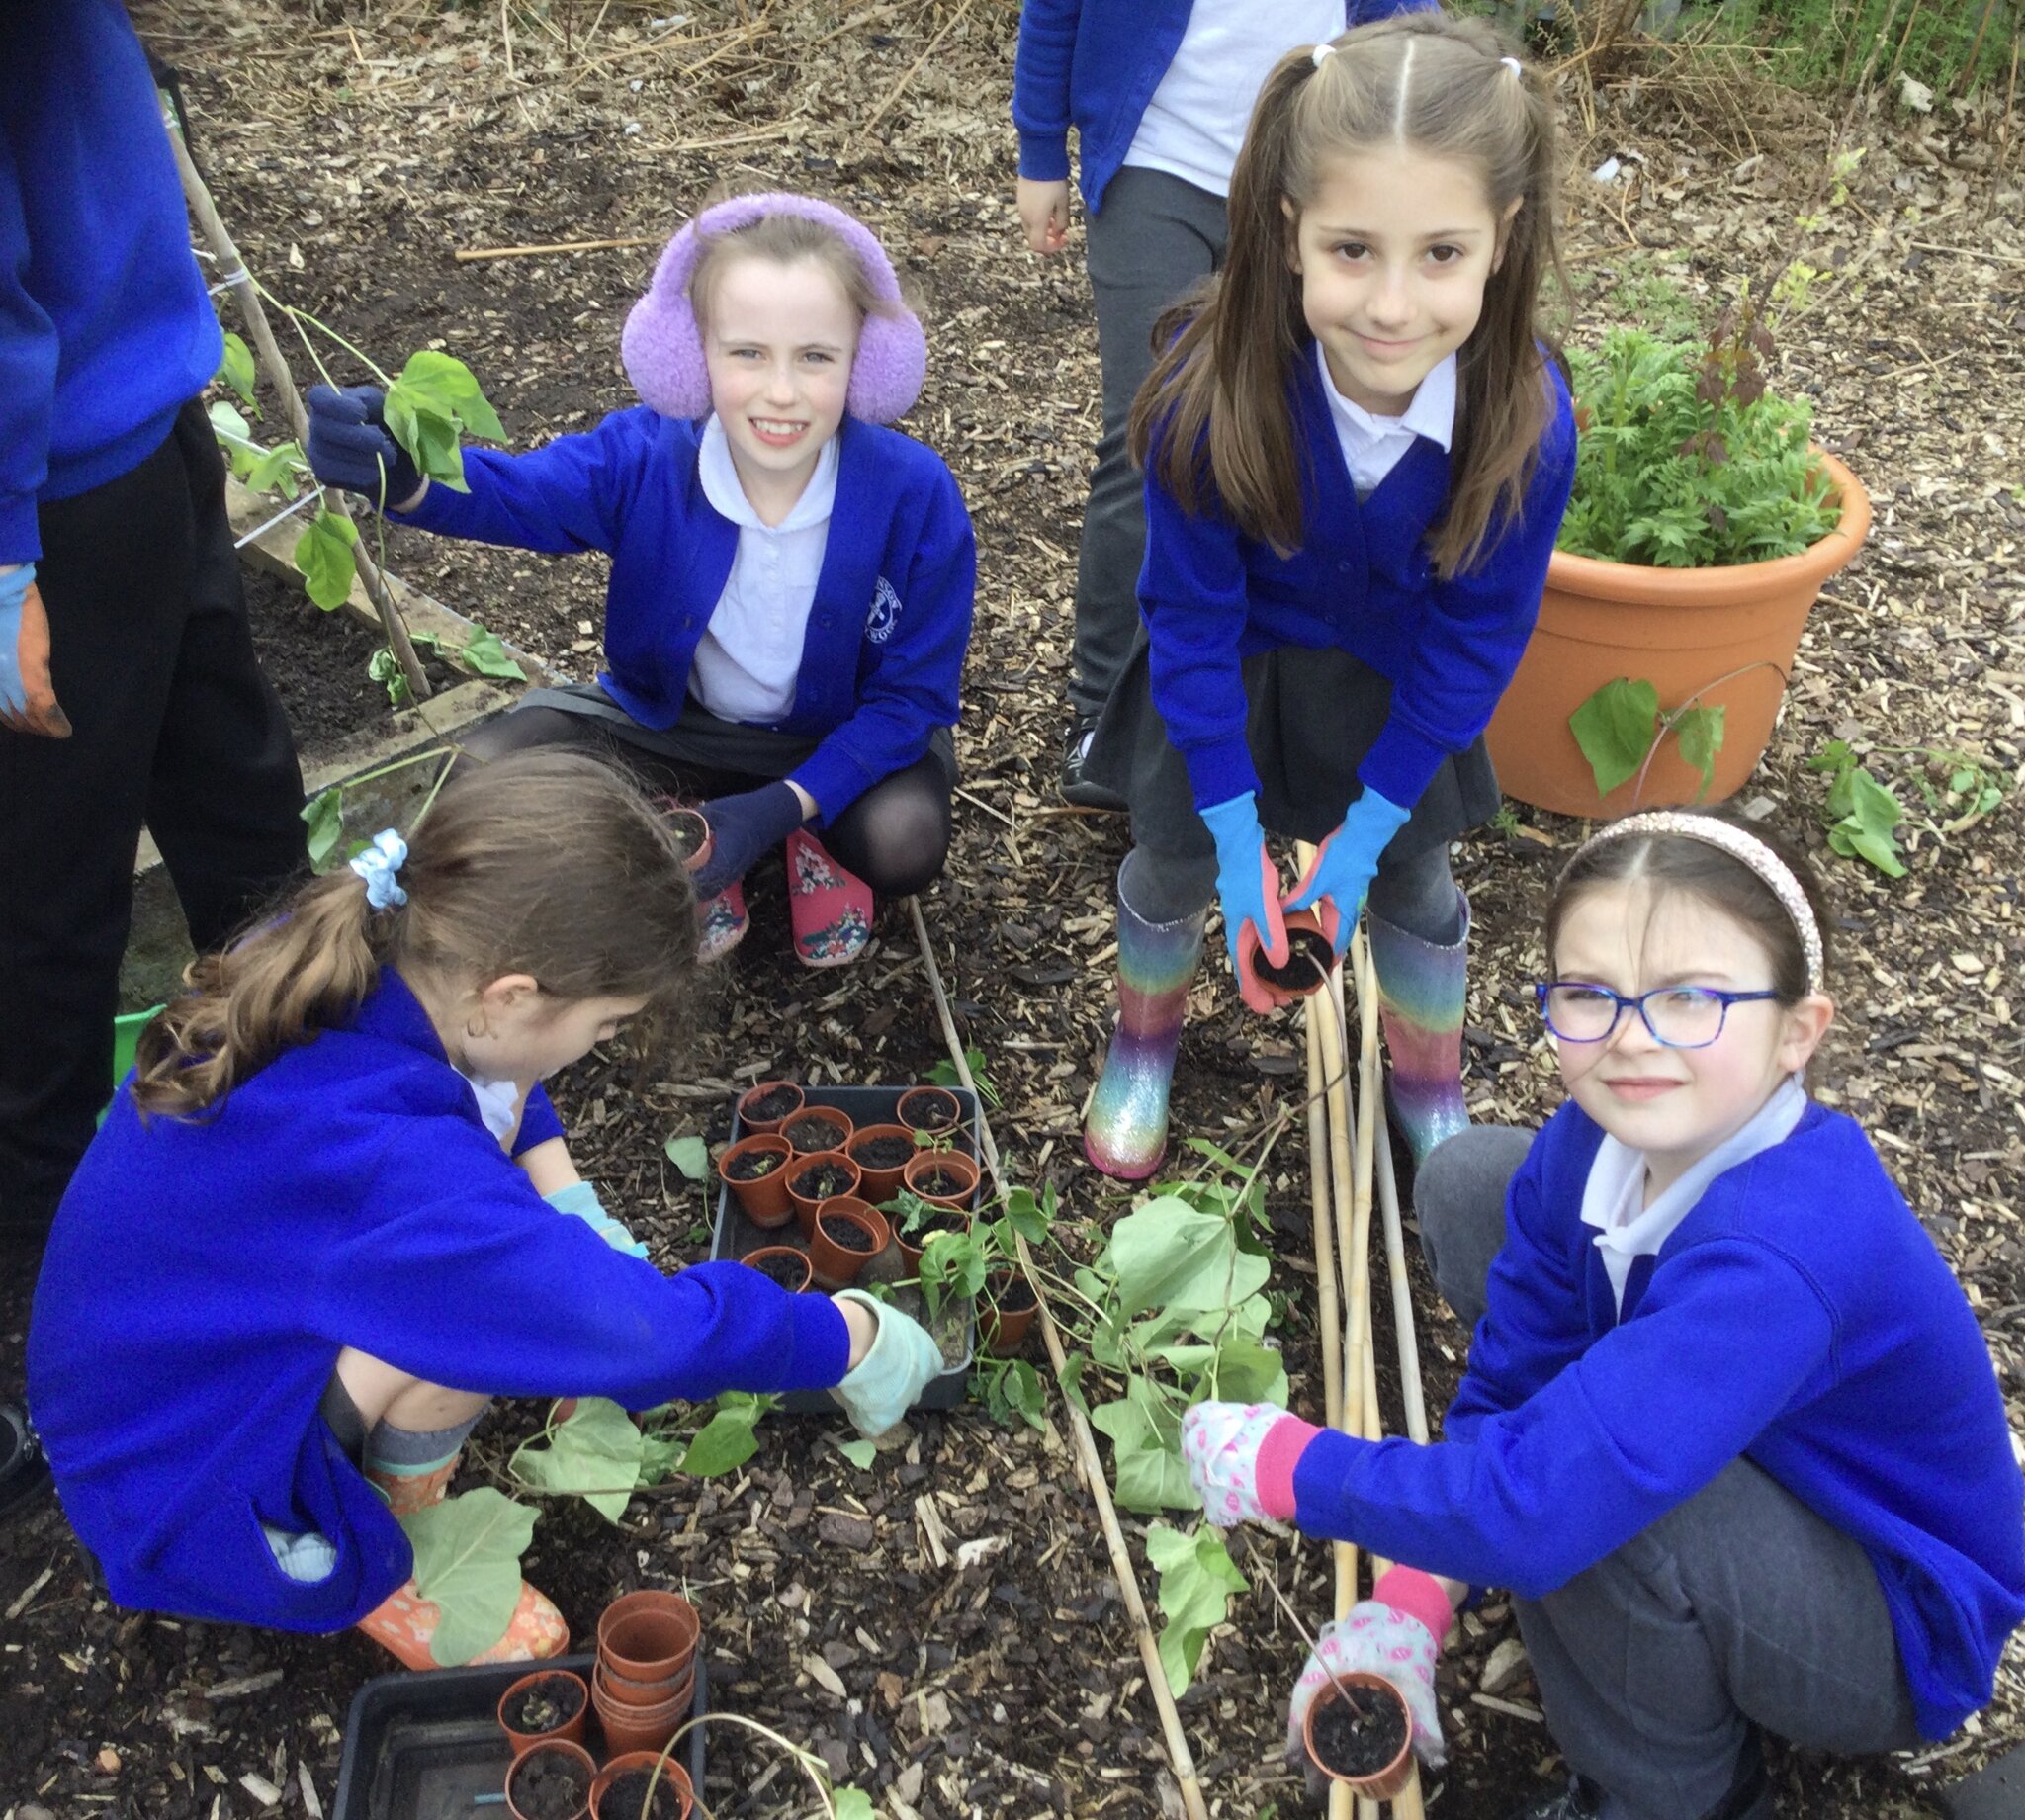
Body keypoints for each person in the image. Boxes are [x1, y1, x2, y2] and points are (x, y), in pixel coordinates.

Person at [1180, 810, 2025, 1820]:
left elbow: (1541, 1504)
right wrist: (1416, 1586)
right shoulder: (1596, 1137)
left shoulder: (1780, 1251)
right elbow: (1516, 1379)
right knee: (1470, 1182)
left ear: (1797, 1031)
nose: (1630, 1038)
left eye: (1690, 998)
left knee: (1603, 1516)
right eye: (1588, 994)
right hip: (1757, 1452)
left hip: (1890, 1617)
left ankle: (1669, 1792)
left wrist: (1294, 1467)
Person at [27, 750, 946, 1670]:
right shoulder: (393, 1173)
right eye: (605, 1028)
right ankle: (385, 1553)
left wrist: (566, 1194)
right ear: (512, 994)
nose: (596, 1049)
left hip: (150, 1386)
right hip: (182, 1491)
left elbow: (497, 1068)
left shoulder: (377, 939)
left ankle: (363, 1460)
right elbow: (641, 1336)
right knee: (473, 1322)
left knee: (482, 1287)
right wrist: (842, 1337)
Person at [1079, 15, 1577, 1181]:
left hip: (1396, 688)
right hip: (1234, 673)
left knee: (1412, 874)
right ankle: (1141, 1041)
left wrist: (1350, 845)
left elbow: (1475, 638)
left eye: (1439, 254)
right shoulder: (1201, 396)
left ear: (1502, 241)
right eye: (1352, 250)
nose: (1392, 306)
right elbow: (1189, 621)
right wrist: (1236, 830)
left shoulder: (1523, 421)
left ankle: (1426, 1081)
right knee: (1167, 858)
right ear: (1290, 230)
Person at [305, 193, 975, 971]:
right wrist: (404, 473)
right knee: (489, 773)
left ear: (866, 362)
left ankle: (804, 826)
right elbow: (520, 496)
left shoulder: (915, 494)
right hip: (675, 724)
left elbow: (910, 700)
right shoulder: (647, 458)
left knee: (905, 841)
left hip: (841, 730)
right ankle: (681, 825)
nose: (781, 392)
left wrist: (771, 808)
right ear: (691, 356)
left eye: (816, 357)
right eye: (747, 353)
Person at [0, 2, 307, 1247]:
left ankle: (39, 1244)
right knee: (229, 796)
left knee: (51, 890)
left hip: (79, 462)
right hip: (124, 410)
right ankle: (294, 1119)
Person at [1012, 0, 1433, 810]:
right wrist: (1041, 151)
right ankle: (1103, 712)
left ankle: (1257, 710)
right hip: (1153, 164)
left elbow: (1408, 31)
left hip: (1312, 188)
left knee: (1292, 437)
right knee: (1150, 444)